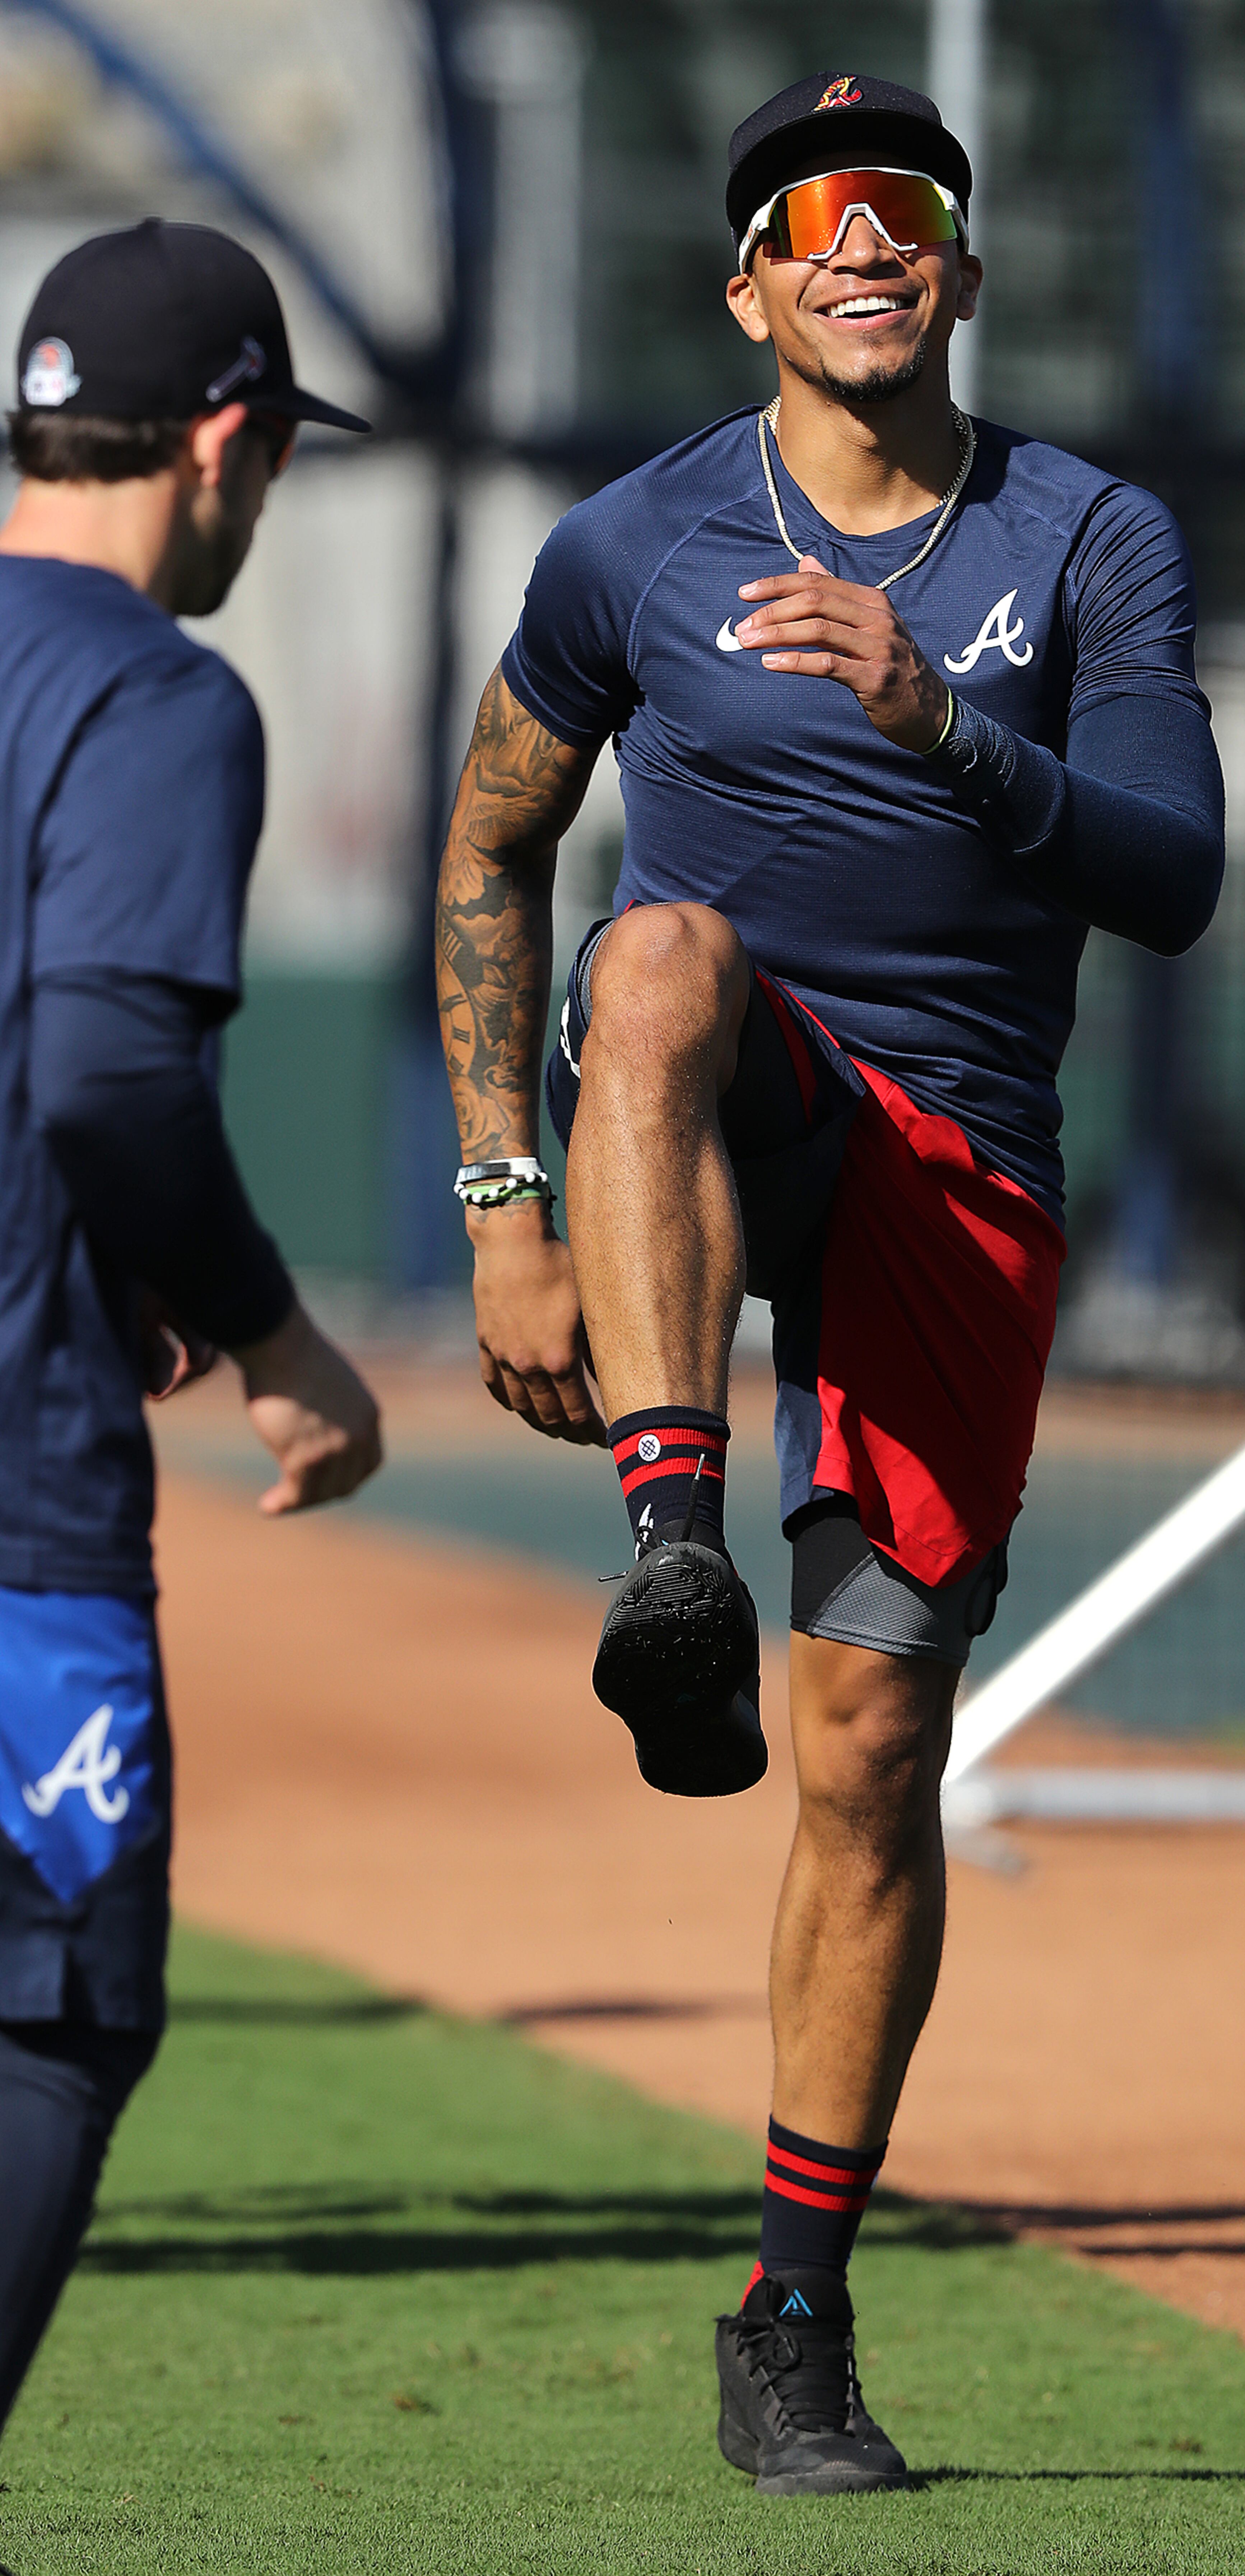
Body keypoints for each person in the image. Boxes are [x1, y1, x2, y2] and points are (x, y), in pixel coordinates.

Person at [436, 73, 1225, 2495]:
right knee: (655, 951)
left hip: (955, 1157)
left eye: (916, 212)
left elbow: (1174, 871)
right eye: (819, 213)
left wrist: (941, 723)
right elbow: (494, 849)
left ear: (961, 277)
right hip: (713, 1086)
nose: (869, 242)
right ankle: (673, 1538)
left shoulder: (1088, 538)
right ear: (755, 280)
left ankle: (790, 2310)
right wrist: (502, 1193)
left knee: (875, 1749)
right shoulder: (630, 540)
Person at [0, 219, 382, 2434]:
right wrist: (267, 1331)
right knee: (55, 2013)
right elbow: (107, 1074)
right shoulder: (154, 692)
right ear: (225, 436)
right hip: (16, 1490)